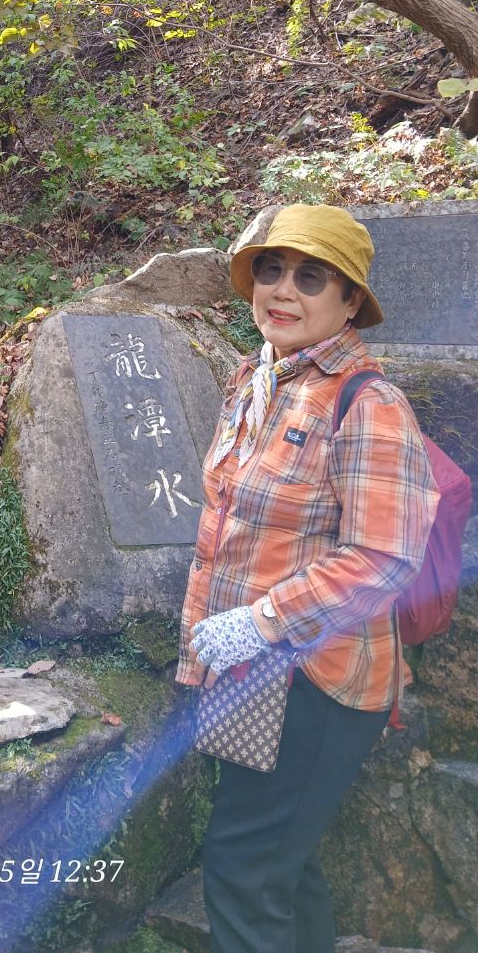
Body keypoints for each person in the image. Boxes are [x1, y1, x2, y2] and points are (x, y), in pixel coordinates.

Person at [176, 204, 439, 953]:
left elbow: (384, 557)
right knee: (280, 867)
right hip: (253, 674)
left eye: (311, 277)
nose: (283, 289)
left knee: (243, 871)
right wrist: (206, 649)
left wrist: (260, 620)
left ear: (350, 301)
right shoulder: (254, 381)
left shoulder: (368, 404)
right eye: (272, 269)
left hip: (318, 683)